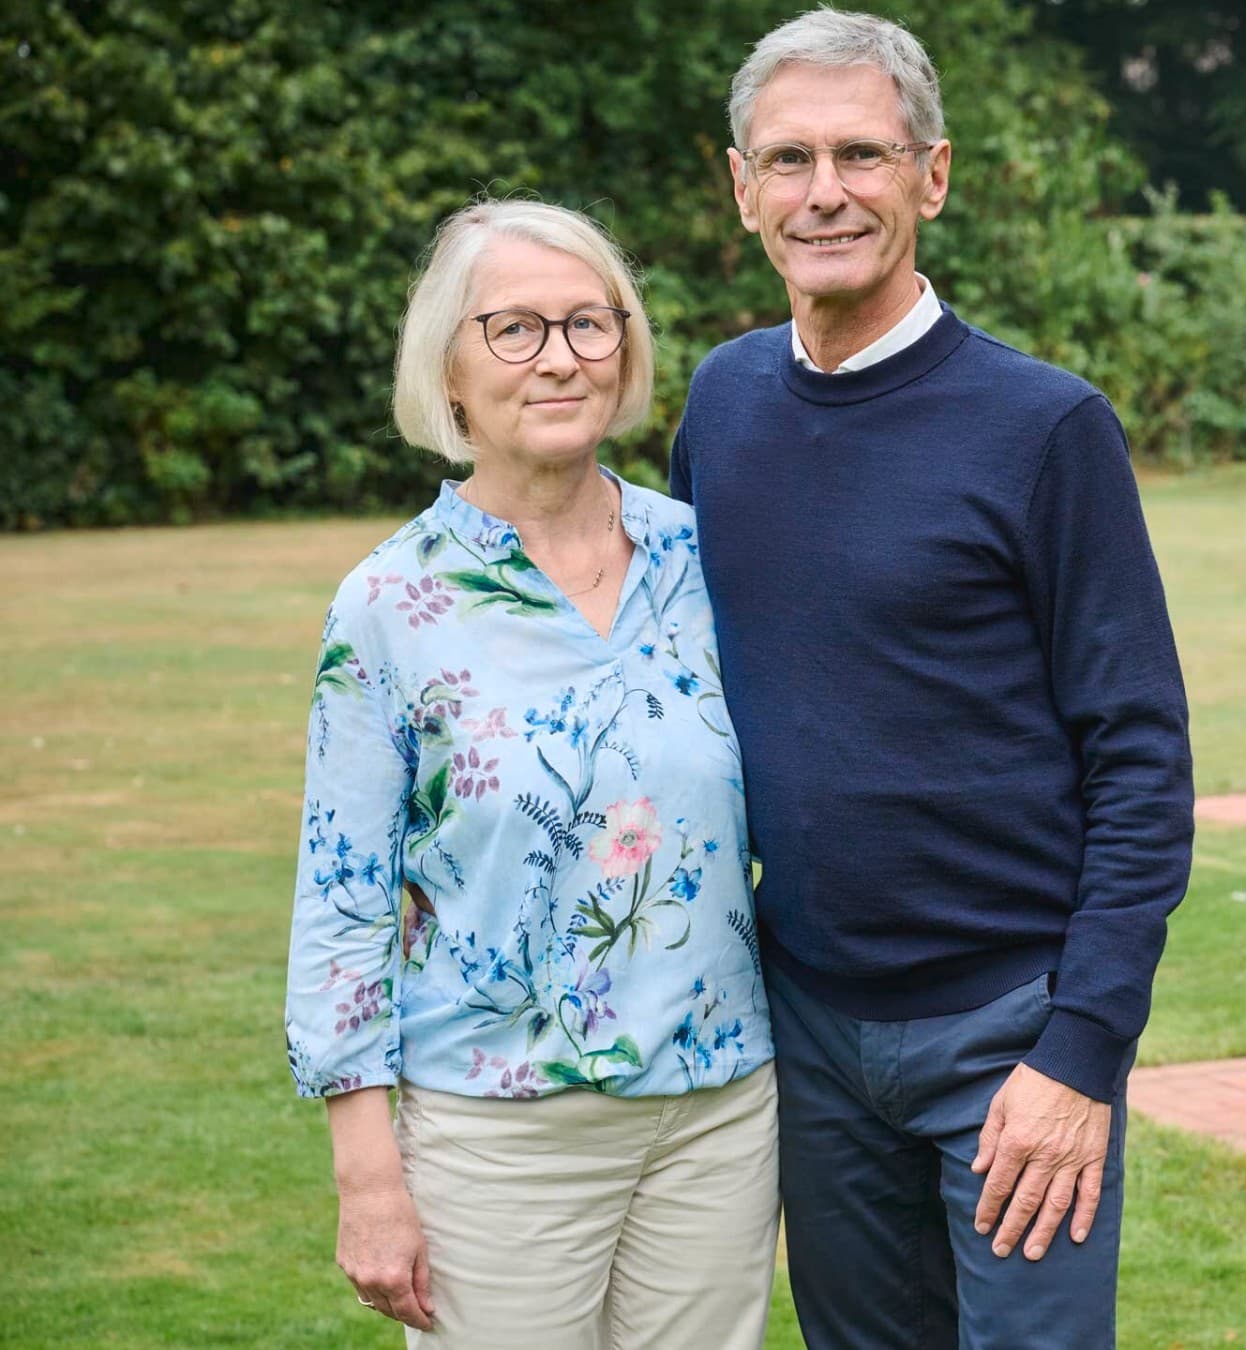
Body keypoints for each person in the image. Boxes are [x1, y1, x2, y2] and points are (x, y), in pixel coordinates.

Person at [669, 10, 1194, 1348]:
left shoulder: (1045, 429)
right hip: (809, 1027)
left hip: (1010, 1032)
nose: (825, 191)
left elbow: (1140, 759)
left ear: (933, 175)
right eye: (788, 159)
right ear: (741, 188)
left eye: (862, 153)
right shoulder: (721, 408)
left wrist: (1082, 1050)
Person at [285, 199, 776, 1350]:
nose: (559, 358)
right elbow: (343, 895)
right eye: (513, 329)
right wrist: (367, 1176)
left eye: (588, 326)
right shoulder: (390, 604)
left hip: (718, 1109)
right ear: (448, 370)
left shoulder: (704, 556)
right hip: (498, 1127)